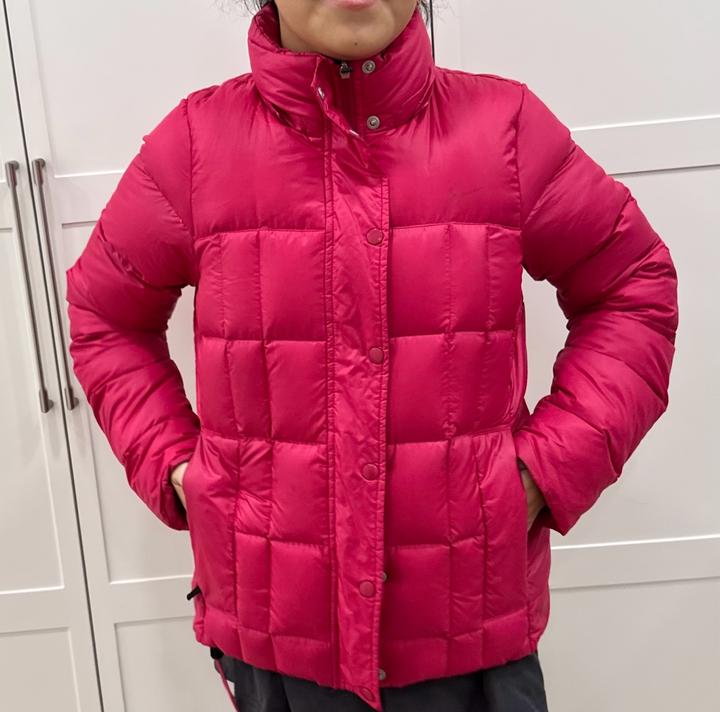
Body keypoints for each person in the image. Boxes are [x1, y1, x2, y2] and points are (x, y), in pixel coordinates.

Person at [64, 1, 680, 711]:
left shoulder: (502, 129)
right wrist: (176, 467)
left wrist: (546, 470)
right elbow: (106, 315)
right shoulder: (197, 146)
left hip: (472, 636)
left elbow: (633, 287)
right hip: (274, 636)